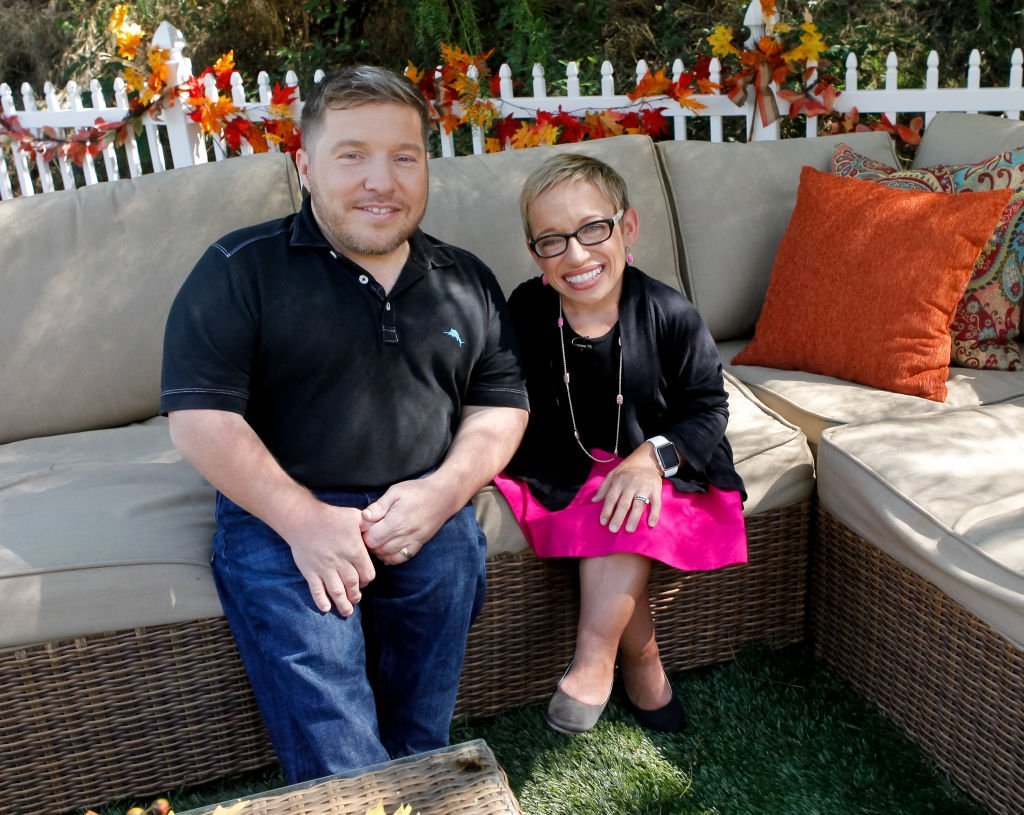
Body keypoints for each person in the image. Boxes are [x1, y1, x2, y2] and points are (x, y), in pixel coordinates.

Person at [160, 66, 529, 783]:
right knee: (338, 733)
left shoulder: (465, 278)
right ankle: (362, 788)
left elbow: (500, 404)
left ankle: (415, 767)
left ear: (426, 164)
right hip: (279, 512)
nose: (380, 181)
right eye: (351, 155)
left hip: (422, 507)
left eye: (403, 156)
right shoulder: (239, 270)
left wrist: (443, 492)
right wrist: (303, 520)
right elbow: (200, 419)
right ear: (305, 165)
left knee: (443, 609)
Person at [493, 153, 747, 735]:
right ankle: (640, 657)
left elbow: (710, 408)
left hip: (665, 456)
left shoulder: (669, 313)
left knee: (630, 495)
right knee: (602, 493)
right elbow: (500, 387)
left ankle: (592, 660)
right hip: (560, 460)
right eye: (552, 241)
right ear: (536, 255)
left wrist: (652, 458)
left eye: (592, 229)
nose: (576, 255)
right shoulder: (528, 308)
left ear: (626, 228)